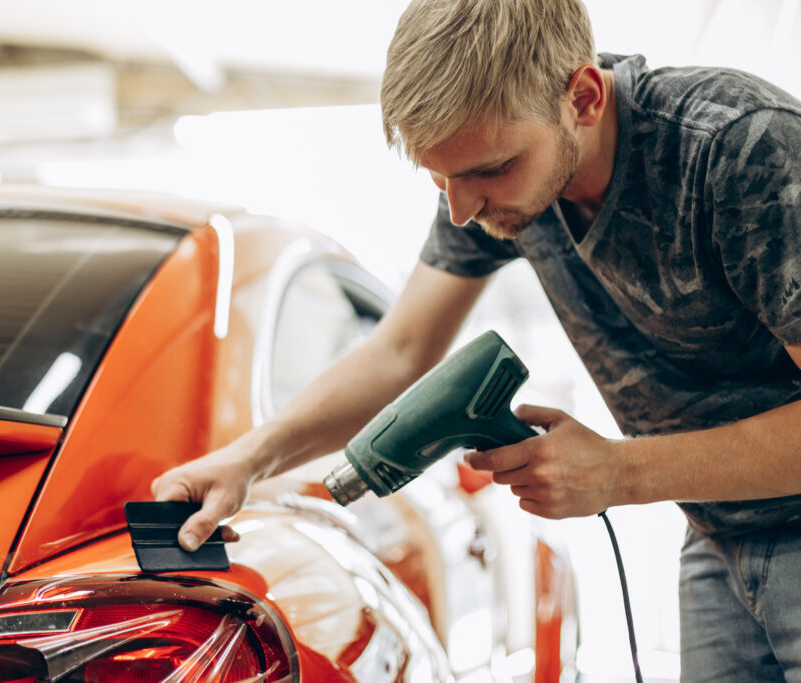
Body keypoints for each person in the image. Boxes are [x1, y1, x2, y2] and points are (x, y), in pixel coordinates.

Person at [151, 0, 801, 679]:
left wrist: (620, 471)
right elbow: (400, 351)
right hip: (715, 536)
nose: (462, 208)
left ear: (581, 96)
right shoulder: (489, 171)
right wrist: (247, 461)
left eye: (488, 171)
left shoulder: (738, 150)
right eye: (441, 179)